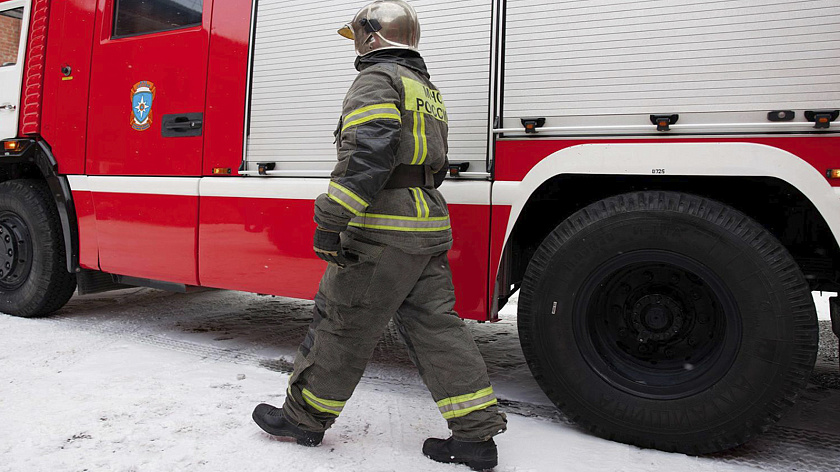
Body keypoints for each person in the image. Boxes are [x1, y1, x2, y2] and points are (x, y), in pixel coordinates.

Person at [252, 1, 507, 469]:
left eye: (358, 37)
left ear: (371, 36)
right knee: (438, 329)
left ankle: (303, 419)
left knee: (343, 323)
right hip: (427, 225)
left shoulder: (376, 80)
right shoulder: (424, 88)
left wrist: (330, 221)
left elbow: (366, 158)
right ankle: (476, 435)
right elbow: (428, 161)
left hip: (382, 230)